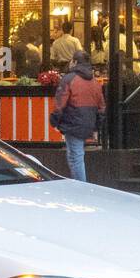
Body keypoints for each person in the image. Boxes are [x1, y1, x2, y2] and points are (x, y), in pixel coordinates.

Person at [51, 50, 106, 182]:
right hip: (89, 121)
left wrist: (54, 120)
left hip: (73, 121)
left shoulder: (69, 79)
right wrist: (98, 124)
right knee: (74, 154)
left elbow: (60, 103)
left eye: (72, 60)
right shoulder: (95, 82)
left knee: (76, 156)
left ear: (75, 62)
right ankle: (78, 183)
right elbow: (101, 105)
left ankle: (81, 187)